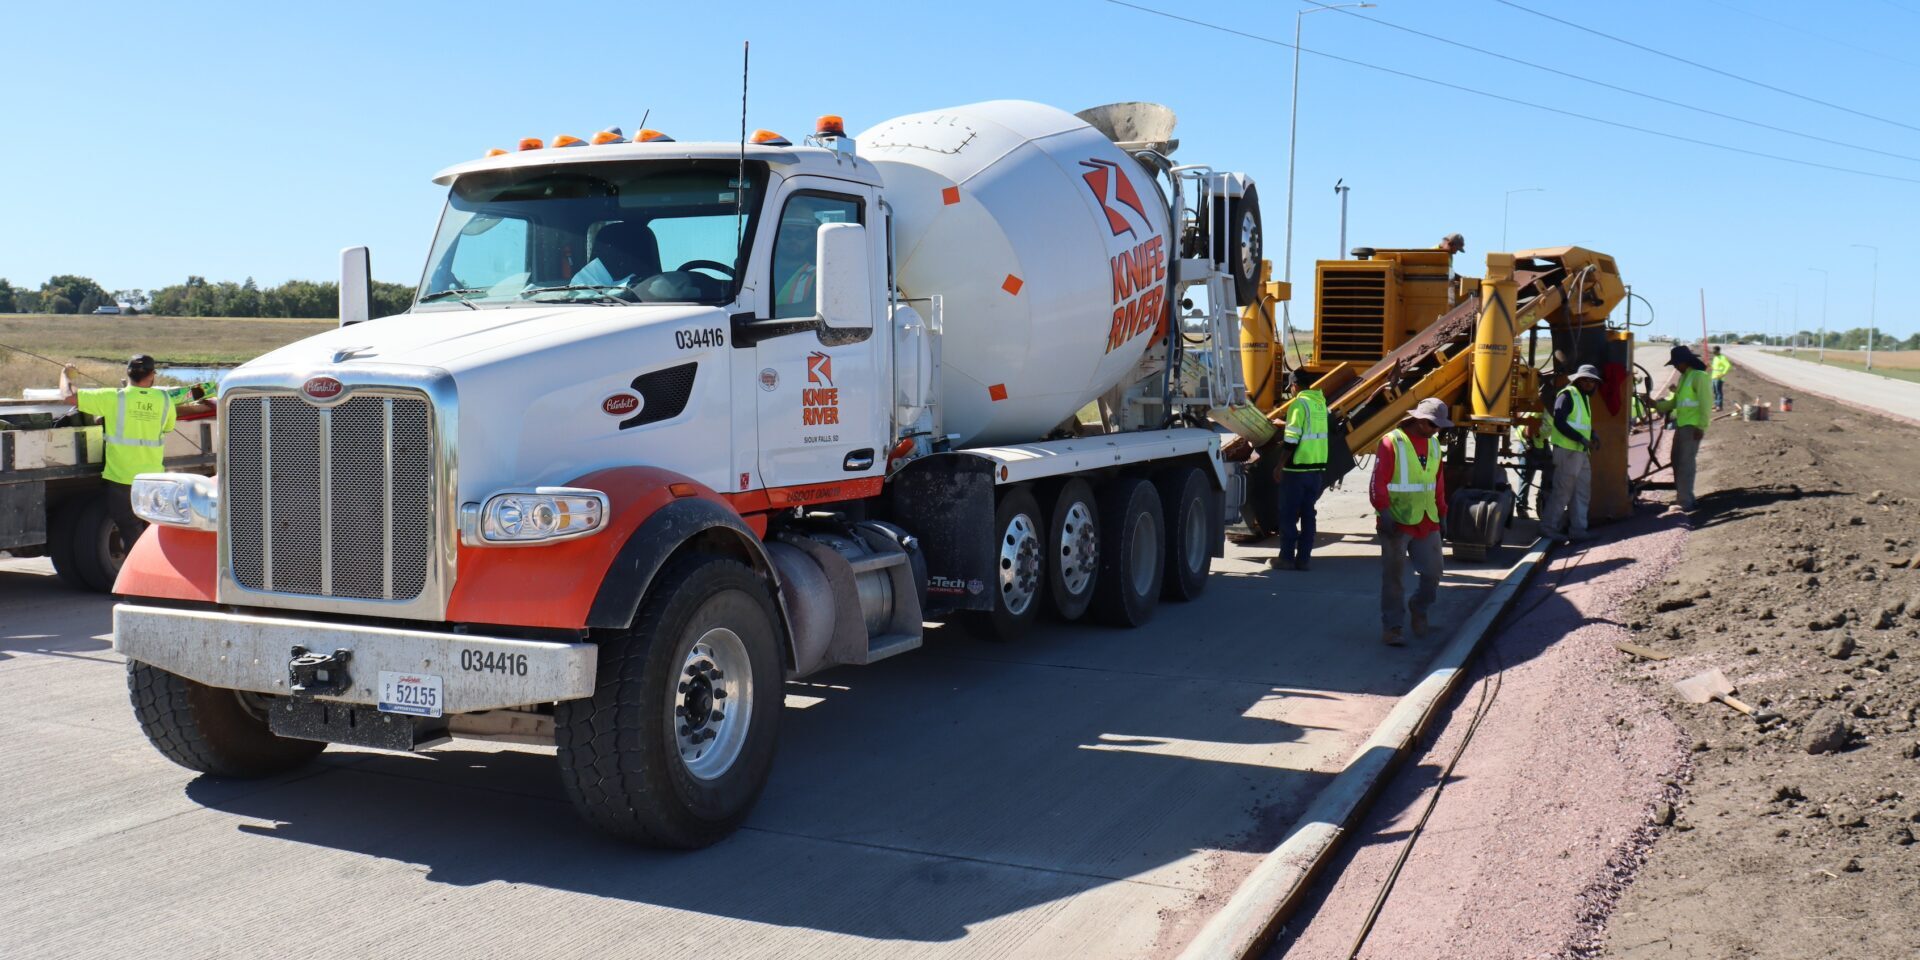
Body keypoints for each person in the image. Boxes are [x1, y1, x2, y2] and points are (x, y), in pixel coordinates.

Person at [59, 355, 212, 549]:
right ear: (151, 376)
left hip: (120, 480)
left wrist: (66, 374)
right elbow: (166, 427)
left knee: (131, 533)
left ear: (128, 373)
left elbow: (68, 396)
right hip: (152, 481)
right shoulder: (164, 400)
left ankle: (138, 572)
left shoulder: (113, 397)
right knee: (154, 533)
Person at [1372, 397, 1452, 646]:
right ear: (1418, 419)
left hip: (1427, 519)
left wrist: (1442, 513)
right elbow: (1378, 482)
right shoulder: (1391, 442)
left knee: (1434, 573)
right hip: (1396, 521)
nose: (1435, 430)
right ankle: (1393, 627)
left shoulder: (1435, 445)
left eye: (1438, 426)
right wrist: (1384, 513)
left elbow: (1437, 483)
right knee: (1394, 578)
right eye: (1431, 424)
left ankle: (1419, 606)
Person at [1270, 370, 1329, 571]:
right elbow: (1310, 429)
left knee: (1287, 514)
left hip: (1296, 471)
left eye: (1291, 387)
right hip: (1316, 469)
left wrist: (1279, 465)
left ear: (1294, 385)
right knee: (1308, 515)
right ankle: (1304, 559)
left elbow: (1292, 439)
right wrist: (1286, 424)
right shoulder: (1320, 403)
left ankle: (1286, 558)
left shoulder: (1298, 404)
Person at [1538, 364, 1602, 543]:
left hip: (1580, 452)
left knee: (1582, 491)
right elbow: (1560, 422)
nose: (1590, 384)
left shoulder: (1584, 398)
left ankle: (1578, 530)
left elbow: (1581, 423)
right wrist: (1580, 438)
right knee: (1562, 491)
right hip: (1567, 451)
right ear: (1579, 380)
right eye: (1587, 380)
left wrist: (1592, 434)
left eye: (1593, 381)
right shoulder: (1567, 395)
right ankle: (1548, 527)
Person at [1655, 345, 1714, 512]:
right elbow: (1675, 402)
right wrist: (1657, 406)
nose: (1675, 367)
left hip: (1692, 426)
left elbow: (1706, 403)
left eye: (1676, 364)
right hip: (1682, 425)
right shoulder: (1685, 377)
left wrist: (1701, 426)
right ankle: (1685, 496)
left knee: (1685, 462)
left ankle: (1685, 501)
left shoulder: (1698, 377)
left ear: (1684, 362)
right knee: (1677, 459)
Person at [1709, 345, 1732, 411]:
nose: (1713, 352)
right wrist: (1710, 365)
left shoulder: (1722, 357)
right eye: (1713, 351)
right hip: (1713, 376)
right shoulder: (1715, 358)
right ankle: (1716, 404)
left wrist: (1723, 374)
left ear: (1718, 351)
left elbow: (1728, 366)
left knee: (1719, 392)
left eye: (1715, 351)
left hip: (1719, 377)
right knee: (1715, 391)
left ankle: (1719, 406)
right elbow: (1714, 368)